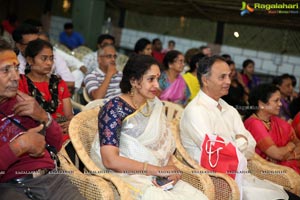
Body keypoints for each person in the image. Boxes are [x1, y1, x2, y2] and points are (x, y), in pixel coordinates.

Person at [90, 54, 208, 200]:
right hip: (123, 177)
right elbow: (110, 161)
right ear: (133, 81)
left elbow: (164, 147)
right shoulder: (114, 108)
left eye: (158, 79)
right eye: (151, 79)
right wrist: (157, 170)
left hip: (155, 175)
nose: (157, 85)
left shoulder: (154, 105)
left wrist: (170, 169)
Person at [180, 55, 291, 200]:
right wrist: (239, 142)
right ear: (205, 80)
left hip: (242, 176)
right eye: (222, 77)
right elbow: (217, 155)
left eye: (229, 76)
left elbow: (251, 146)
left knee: (287, 195)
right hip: (216, 181)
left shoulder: (229, 109)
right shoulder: (196, 111)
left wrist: (236, 145)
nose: (228, 81)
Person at [0, 38, 84, 199]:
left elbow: (56, 144)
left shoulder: (22, 101)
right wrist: (20, 146)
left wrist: (44, 117)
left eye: (17, 68)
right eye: (6, 70)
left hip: (53, 180)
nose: (16, 77)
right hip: (12, 187)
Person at [18, 39, 73, 139]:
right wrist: (51, 127)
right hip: (36, 134)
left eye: (51, 59)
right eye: (44, 59)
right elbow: (23, 119)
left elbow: (69, 115)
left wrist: (69, 123)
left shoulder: (59, 83)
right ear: (30, 60)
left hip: (63, 132)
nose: (49, 63)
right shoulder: (21, 83)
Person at [244, 83, 300, 174]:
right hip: (264, 173)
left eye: (280, 100)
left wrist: (288, 154)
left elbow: (298, 143)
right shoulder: (254, 124)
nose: (280, 104)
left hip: (282, 169)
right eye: (276, 101)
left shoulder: (277, 121)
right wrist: (291, 146)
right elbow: (277, 154)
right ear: (261, 104)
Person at [12, 23, 75, 92]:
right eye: (31, 44)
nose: (37, 47)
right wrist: (56, 82)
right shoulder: (15, 64)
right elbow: (21, 89)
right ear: (19, 46)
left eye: (38, 42)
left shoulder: (51, 55)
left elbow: (70, 83)